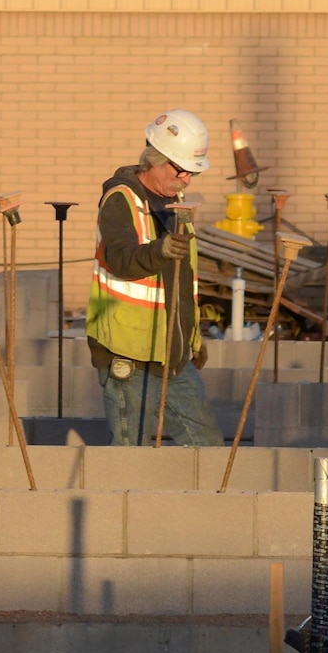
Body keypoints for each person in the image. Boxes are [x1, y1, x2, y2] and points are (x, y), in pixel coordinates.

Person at [88, 109, 222, 447]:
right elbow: (120, 260)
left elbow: (181, 280)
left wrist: (192, 337)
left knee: (206, 445)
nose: (188, 180)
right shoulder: (121, 200)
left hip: (170, 353)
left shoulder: (174, 202)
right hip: (127, 351)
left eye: (193, 173)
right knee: (129, 452)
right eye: (183, 170)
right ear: (156, 160)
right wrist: (159, 251)